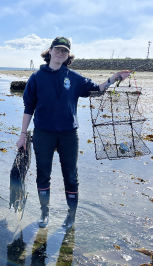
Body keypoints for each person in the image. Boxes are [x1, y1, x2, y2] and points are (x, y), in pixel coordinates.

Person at [16, 37, 130, 229]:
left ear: (68, 55)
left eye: (65, 51)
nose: (61, 53)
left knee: (70, 174)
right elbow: (29, 107)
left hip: (69, 134)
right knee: (43, 174)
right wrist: (22, 134)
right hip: (43, 133)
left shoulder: (74, 77)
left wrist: (114, 78)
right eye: (58, 49)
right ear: (50, 51)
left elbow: (96, 90)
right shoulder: (36, 78)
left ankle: (71, 215)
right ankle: (44, 213)